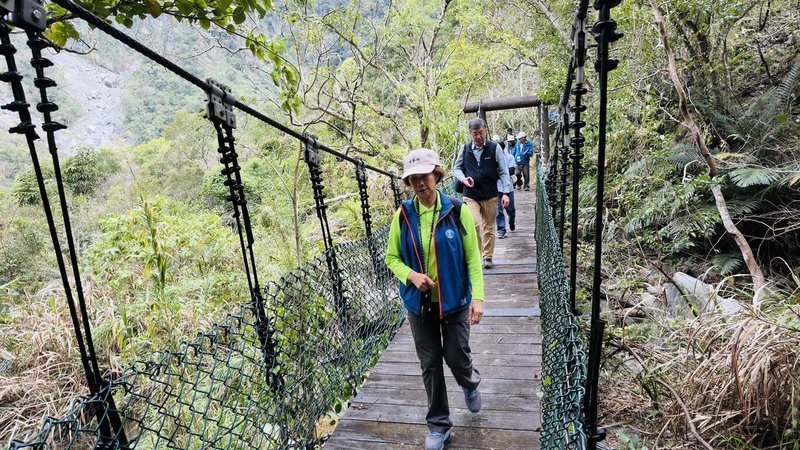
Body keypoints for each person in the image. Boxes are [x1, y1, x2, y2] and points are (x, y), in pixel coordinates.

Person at [385, 148, 485, 450]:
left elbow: (473, 258)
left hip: (453, 301)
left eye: (424, 177)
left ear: (437, 176)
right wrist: (411, 276)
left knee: (456, 357)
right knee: (430, 365)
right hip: (420, 306)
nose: (419, 184)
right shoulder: (402, 215)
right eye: (413, 179)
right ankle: (439, 426)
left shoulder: (456, 210)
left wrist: (477, 298)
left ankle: (469, 382)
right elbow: (392, 257)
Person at [453, 118, 512, 269]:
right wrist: (463, 179)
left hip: (490, 194)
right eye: (475, 134)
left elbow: (504, 171)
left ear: (485, 130)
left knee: (489, 226)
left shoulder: (494, 148)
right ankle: (477, 257)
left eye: (481, 132)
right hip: (470, 194)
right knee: (474, 223)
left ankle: (488, 257)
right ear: (470, 134)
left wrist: (506, 192)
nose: (478, 136)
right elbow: (456, 168)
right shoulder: (465, 148)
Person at [497, 140, 517, 238]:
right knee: (498, 210)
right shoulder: (492, 159)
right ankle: (501, 230)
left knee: (510, 209)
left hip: (508, 188)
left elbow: (512, 170)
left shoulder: (510, 157)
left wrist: (500, 172)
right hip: (496, 188)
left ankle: (512, 221)